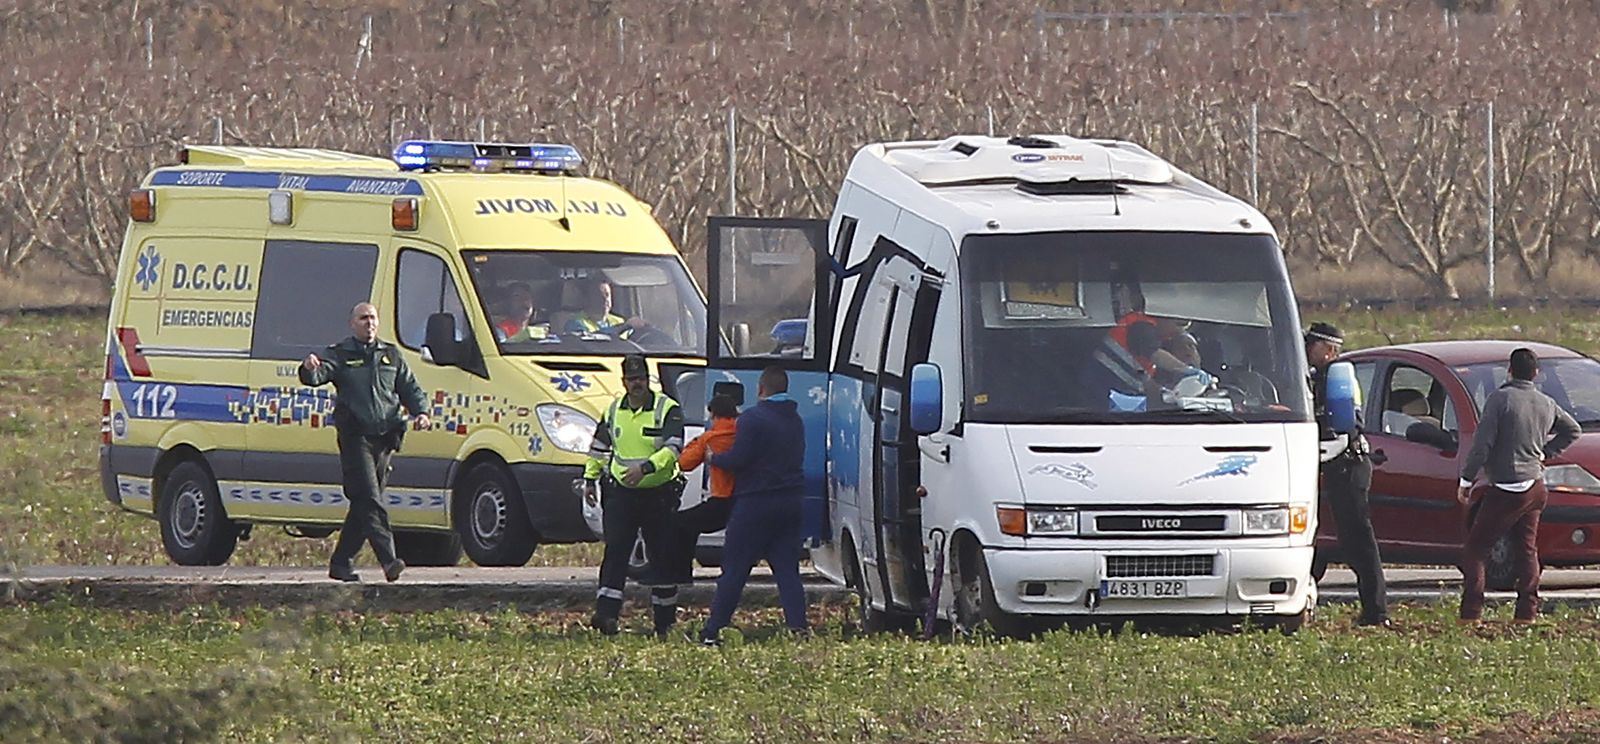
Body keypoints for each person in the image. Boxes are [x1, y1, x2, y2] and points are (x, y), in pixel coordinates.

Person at [299, 302, 431, 583]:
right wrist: (309, 369)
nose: (368, 323)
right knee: (370, 499)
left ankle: (341, 563)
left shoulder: (390, 355)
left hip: (385, 437)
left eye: (372, 318)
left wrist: (421, 412)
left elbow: (409, 387)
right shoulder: (341, 353)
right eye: (362, 318)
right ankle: (389, 559)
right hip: (355, 437)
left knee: (364, 503)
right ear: (352, 324)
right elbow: (318, 375)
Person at [1457, 347, 1580, 624]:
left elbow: (1482, 445)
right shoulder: (1546, 402)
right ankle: (1527, 612)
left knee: (1476, 550)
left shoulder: (1500, 399)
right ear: (1536, 373)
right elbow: (1573, 430)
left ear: (1509, 371)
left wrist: (1467, 479)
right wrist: (1546, 453)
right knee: (1526, 549)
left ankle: (1471, 613)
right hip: (1535, 487)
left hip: (1506, 488)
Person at [699, 366, 810, 646]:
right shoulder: (796, 420)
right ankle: (798, 628)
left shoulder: (752, 418)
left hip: (756, 502)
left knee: (735, 569)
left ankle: (714, 629)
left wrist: (713, 458)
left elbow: (739, 459)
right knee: (787, 572)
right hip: (791, 502)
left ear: (761, 389)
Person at [581, 353, 686, 637]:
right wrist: (589, 479)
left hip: (659, 495)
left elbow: (674, 449)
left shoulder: (667, 408)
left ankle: (665, 622)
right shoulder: (614, 410)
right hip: (621, 494)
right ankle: (606, 616)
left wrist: (646, 468)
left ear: (648, 379)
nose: (636, 384)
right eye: (631, 379)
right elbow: (599, 448)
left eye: (640, 378)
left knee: (662, 557)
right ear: (624, 381)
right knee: (616, 552)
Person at [1305, 322, 1389, 627]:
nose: (1306, 350)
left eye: (1312, 345)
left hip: (1347, 465)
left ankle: (1376, 612)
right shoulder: (1327, 376)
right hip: (1342, 464)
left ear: (1329, 350)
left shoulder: (1334, 377)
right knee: (1326, 535)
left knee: (1358, 541)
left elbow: (1343, 430)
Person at [658, 394, 740, 585]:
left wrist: (696, 443)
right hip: (743, 501)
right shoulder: (743, 435)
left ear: (713, 415)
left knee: (679, 523)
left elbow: (684, 463)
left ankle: (679, 574)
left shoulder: (710, 438)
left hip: (721, 500)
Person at [566, 277, 644, 336]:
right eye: (599, 295)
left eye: (607, 295)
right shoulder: (575, 323)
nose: (605, 299)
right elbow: (592, 342)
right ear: (587, 299)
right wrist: (623, 327)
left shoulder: (619, 321)